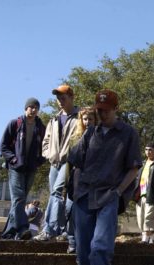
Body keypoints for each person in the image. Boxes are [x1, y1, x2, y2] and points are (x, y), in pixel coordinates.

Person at [68, 89, 141, 265]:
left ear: (116, 108)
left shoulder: (128, 133)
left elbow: (134, 168)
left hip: (109, 195)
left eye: (106, 109)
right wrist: (76, 192)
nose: (102, 113)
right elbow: (76, 163)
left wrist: (118, 192)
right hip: (84, 195)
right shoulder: (90, 133)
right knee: (82, 249)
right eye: (99, 109)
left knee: (101, 246)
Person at [34, 85, 80, 242]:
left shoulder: (80, 116)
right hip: (54, 162)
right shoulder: (54, 119)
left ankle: (50, 230)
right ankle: (64, 230)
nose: (60, 101)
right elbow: (46, 140)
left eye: (63, 98)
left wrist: (73, 155)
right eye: (58, 99)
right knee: (58, 195)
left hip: (70, 162)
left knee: (57, 193)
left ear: (71, 97)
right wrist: (48, 154)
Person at [0, 97, 46, 240]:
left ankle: (8, 233)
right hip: (16, 167)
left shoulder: (40, 127)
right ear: (26, 108)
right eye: (31, 107)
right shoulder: (15, 123)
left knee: (19, 201)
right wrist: (13, 159)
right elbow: (3, 146)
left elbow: (46, 146)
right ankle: (22, 229)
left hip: (31, 168)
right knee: (19, 198)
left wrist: (39, 161)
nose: (33, 110)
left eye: (36, 108)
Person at [62, 106, 98, 254]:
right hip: (74, 181)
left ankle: (86, 244)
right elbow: (68, 163)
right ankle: (72, 242)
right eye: (85, 119)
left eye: (90, 119)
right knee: (70, 211)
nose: (88, 121)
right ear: (81, 120)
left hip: (91, 183)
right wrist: (66, 184)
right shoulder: (75, 138)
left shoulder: (100, 138)